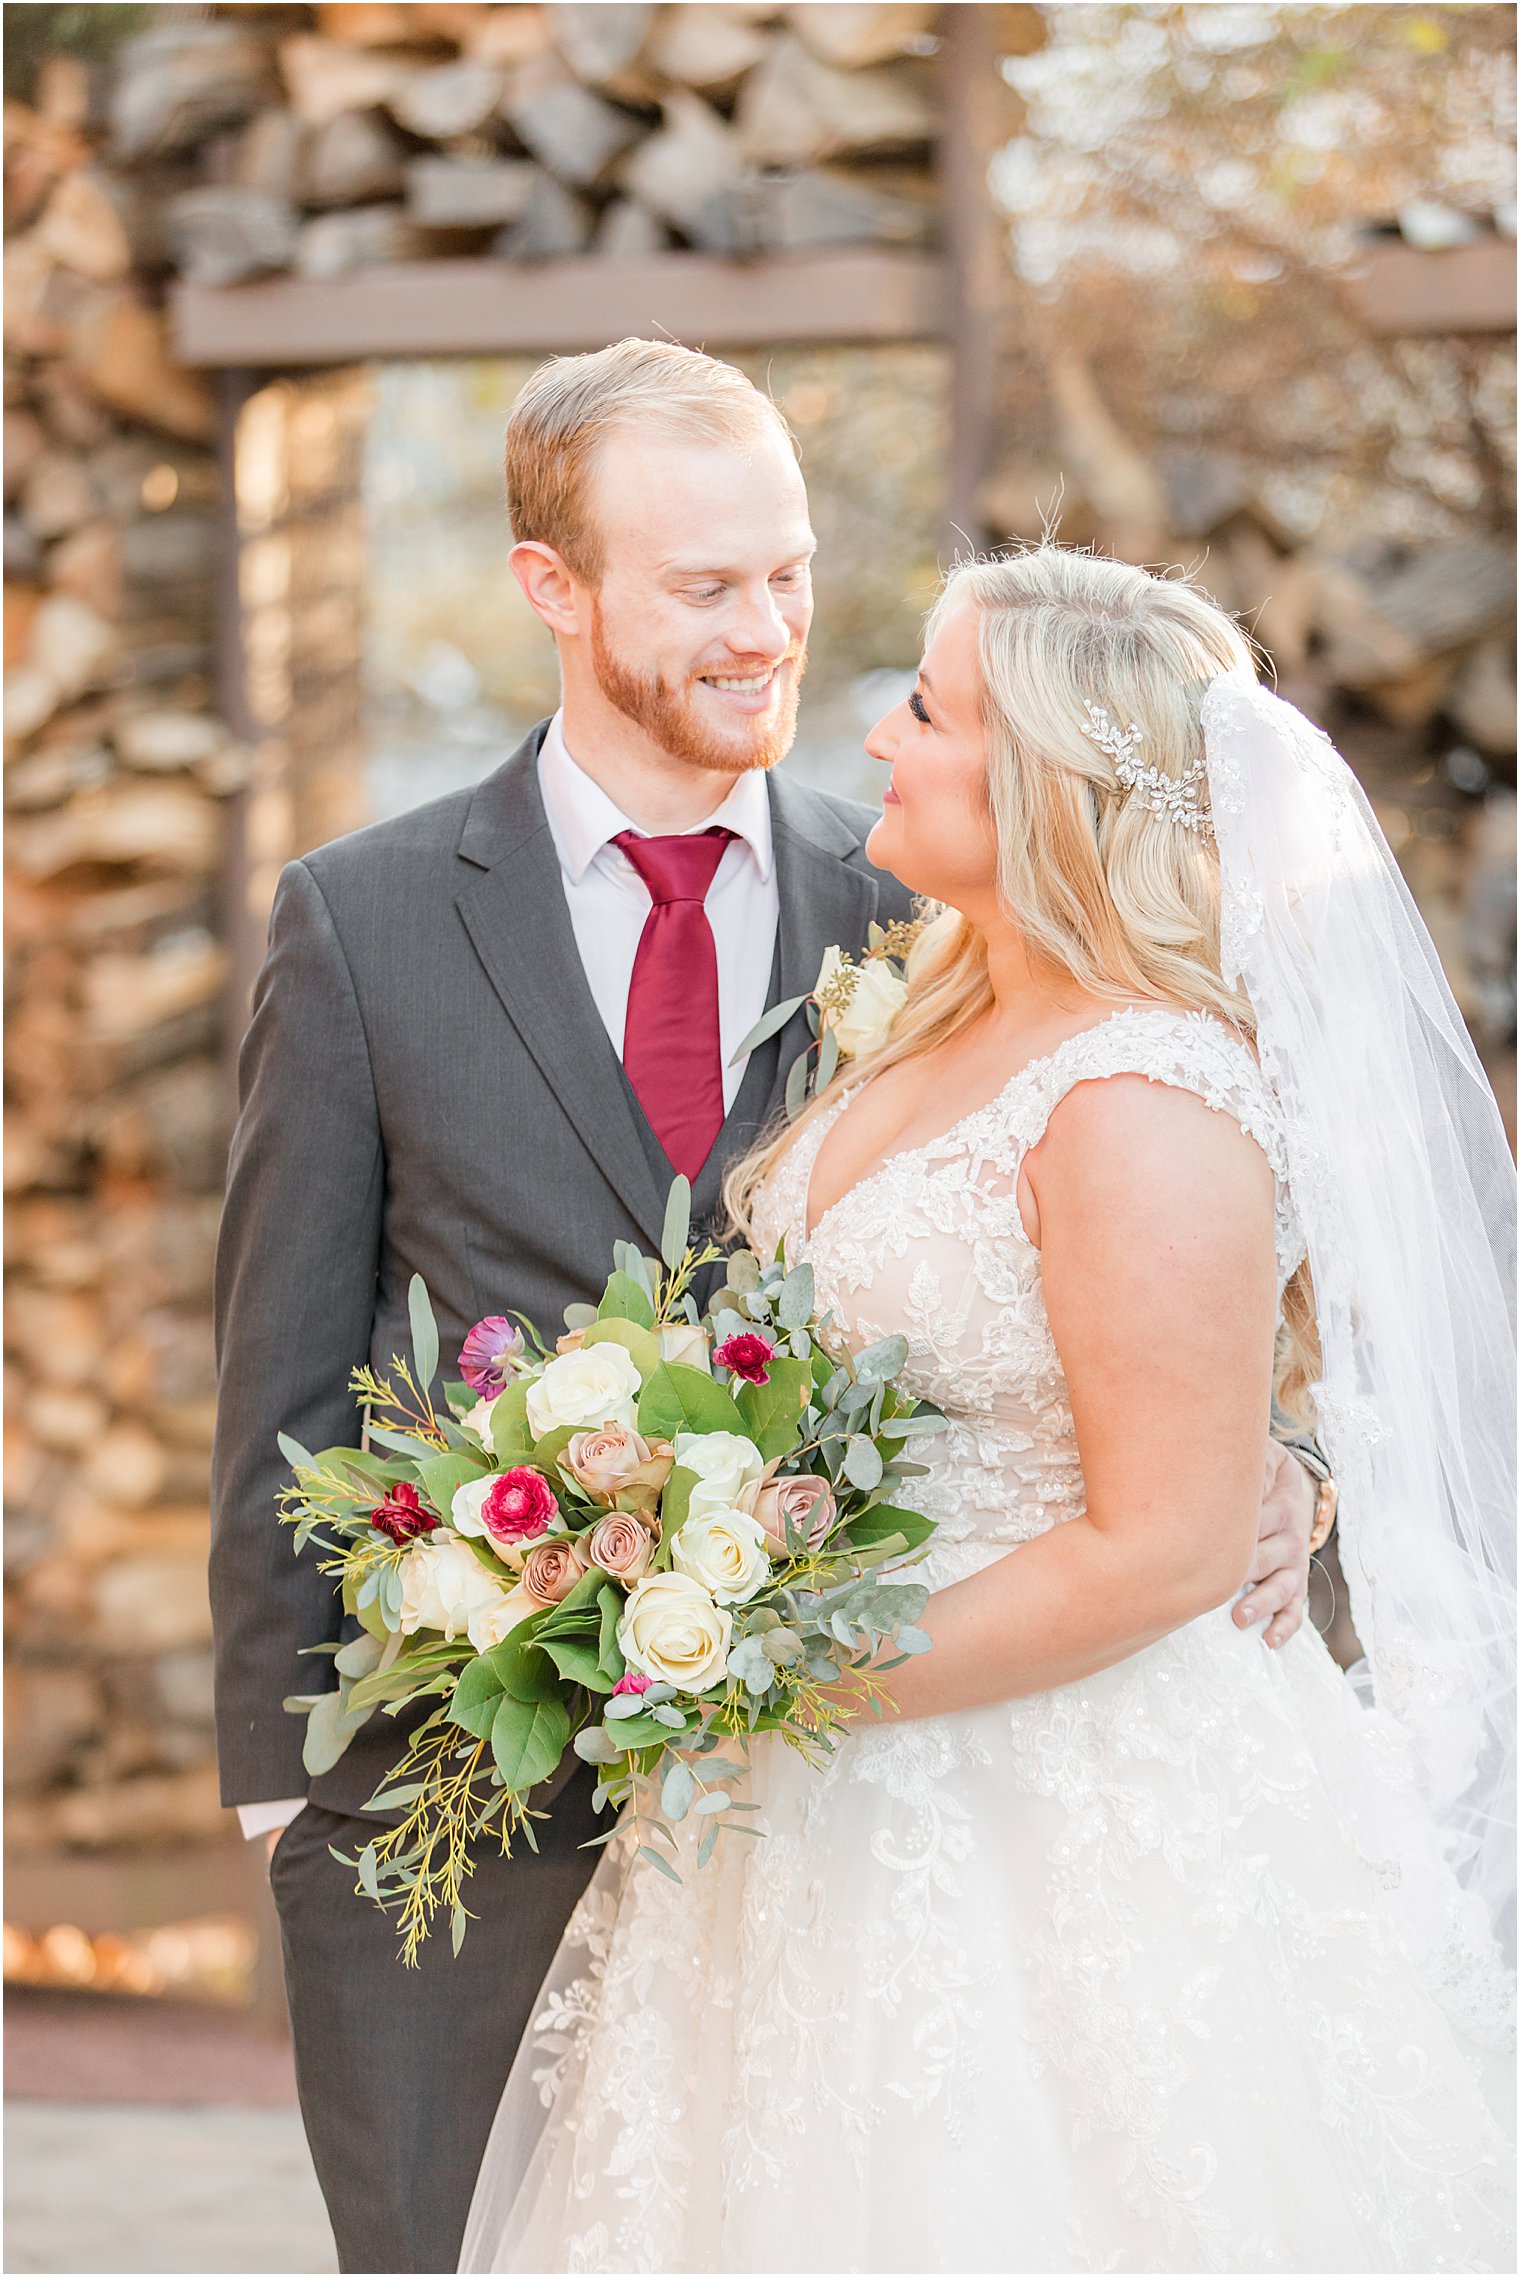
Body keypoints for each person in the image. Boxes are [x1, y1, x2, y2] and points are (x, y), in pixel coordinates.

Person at [209, 346, 1315, 2274]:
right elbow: (281, 1375)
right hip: (479, 1792)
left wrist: (1279, 1464)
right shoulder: (363, 918)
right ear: (555, 588)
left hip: (865, 1805)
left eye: (791, 573)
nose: (770, 631)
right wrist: (276, 1793)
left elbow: (1144, 1267)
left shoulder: (936, 899)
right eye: (705, 584)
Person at [459, 545, 1515, 2275]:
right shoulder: (944, 1006)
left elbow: (1167, 1542)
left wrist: (773, 1673)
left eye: (932, 709)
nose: (878, 733)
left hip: (1054, 1803)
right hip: (805, 1793)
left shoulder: (1142, 1092)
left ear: (1046, 783)